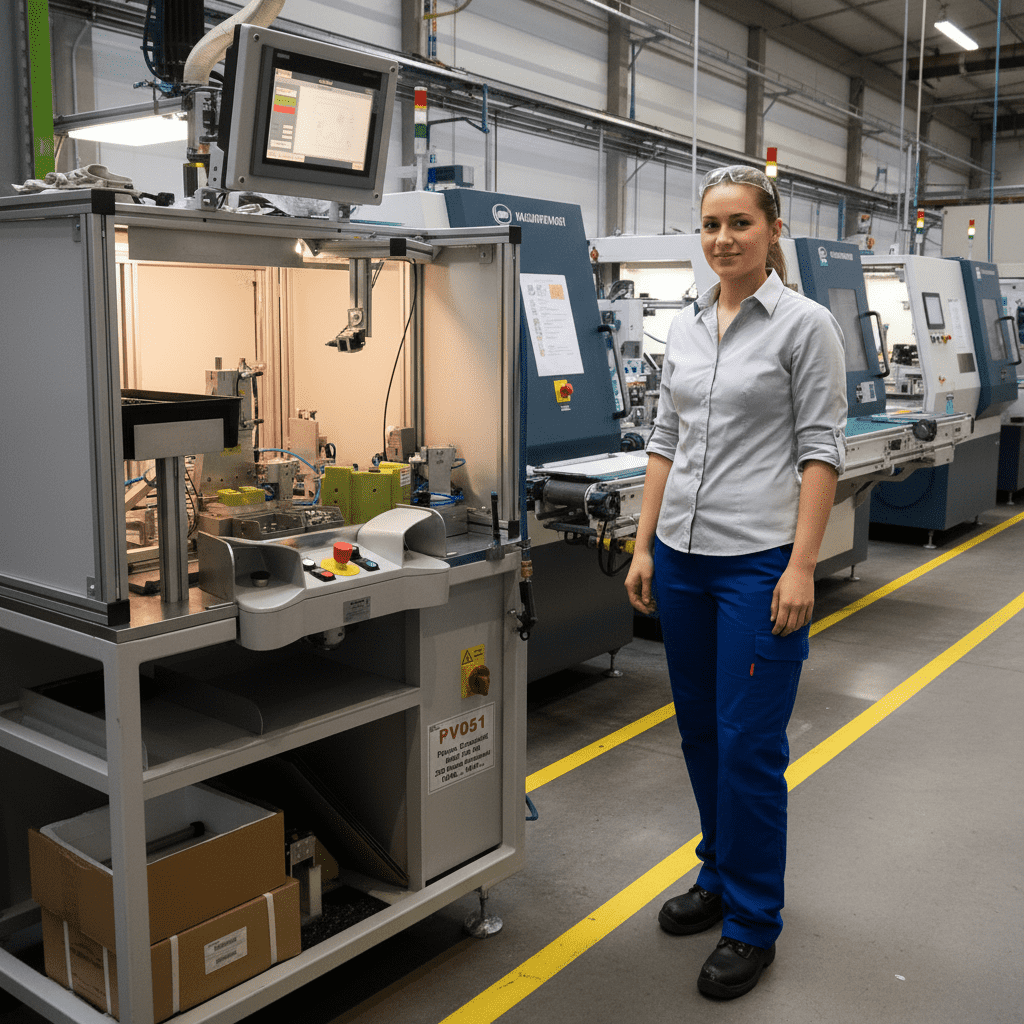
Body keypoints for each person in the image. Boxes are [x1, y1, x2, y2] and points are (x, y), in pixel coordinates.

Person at [624, 165, 848, 1000]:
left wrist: (800, 566)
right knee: (700, 734)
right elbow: (663, 438)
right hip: (681, 558)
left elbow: (822, 451)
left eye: (740, 224)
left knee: (750, 745)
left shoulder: (804, 325)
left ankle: (753, 921)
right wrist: (644, 547)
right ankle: (718, 873)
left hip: (758, 564)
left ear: (773, 227)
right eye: (711, 225)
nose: (723, 239)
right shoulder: (685, 325)